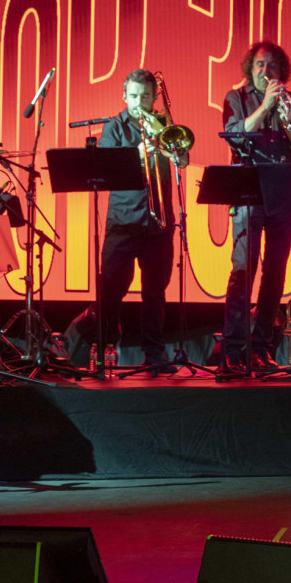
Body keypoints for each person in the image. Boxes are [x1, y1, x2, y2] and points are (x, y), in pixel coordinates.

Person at [220, 40, 291, 371]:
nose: (265, 71)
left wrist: (288, 118)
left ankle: (260, 348)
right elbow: (234, 135)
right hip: (248, 189)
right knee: (243, 270)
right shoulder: (237, 99)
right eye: (259, 65)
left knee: (275, 273)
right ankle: (233, 349)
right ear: (250, 69)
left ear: (281, 71)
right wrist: (264, 108)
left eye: (272, 66)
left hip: (283, 191)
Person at [97, 68, 188, 373]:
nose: (139, 102)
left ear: (154, 97)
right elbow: (108, 171)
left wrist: (173, 150)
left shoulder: (163, 124)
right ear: (124, 97)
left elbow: (182, 159)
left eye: (145, 96)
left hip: (158, 223)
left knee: (155, 292)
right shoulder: (114, 128)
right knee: (111, 289)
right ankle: (106, 345)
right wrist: (137, 153)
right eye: (134, 96)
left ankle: (155, 354)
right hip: (123, 222)